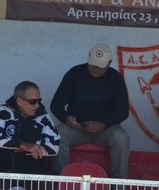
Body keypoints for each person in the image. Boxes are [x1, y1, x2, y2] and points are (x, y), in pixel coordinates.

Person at [51, 43, 130, 181]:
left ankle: (118, 186)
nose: (95, 68)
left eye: (100, 66)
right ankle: (59, 182)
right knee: (59, 134)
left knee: (121, 138)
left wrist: (104, 124)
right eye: (93, 64)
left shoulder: (115, 78)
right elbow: (56, 104)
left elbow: (123, 111)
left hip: (105, 129)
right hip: (76, 127)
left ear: (109, 63)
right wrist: (66, 117)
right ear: (88, 57)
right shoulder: (74, 73)